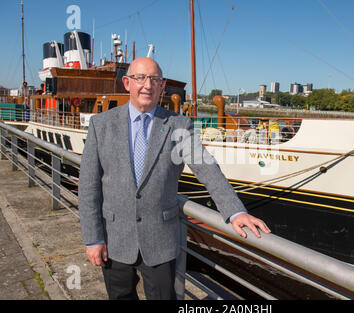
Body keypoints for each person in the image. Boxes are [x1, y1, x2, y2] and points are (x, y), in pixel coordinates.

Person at [79, 57, 271, 300]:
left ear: (162, 86)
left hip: (159, 240)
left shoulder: (178, 125)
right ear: (127, 83)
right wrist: (93, 238)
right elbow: (88, 187)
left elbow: (206, 167)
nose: (147, 85)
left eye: (154, 79)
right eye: (140, 78)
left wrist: (235, 211)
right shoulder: (101, 124)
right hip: (114, 238)